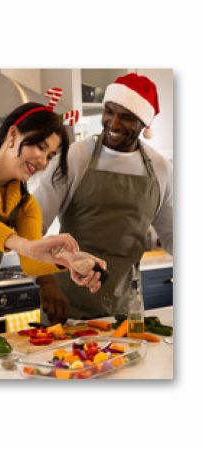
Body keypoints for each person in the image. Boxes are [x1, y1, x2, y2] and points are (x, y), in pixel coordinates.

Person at [0, 98, 106, 343]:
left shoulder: (25, 206)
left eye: (50, 155)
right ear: (12, 135)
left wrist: (69, 261)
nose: (43, 162)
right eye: (40, 147)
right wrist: (22, 243)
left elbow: (31, 263)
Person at [33, 73, 173, 324]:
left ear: (144, 123)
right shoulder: (76, 156)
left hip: (124, 310)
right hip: (66, 306)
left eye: (127, 117)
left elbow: (174, 237)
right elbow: (32, 222)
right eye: (109, 111)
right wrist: (45, 279)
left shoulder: (159, 168)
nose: (114, 123)